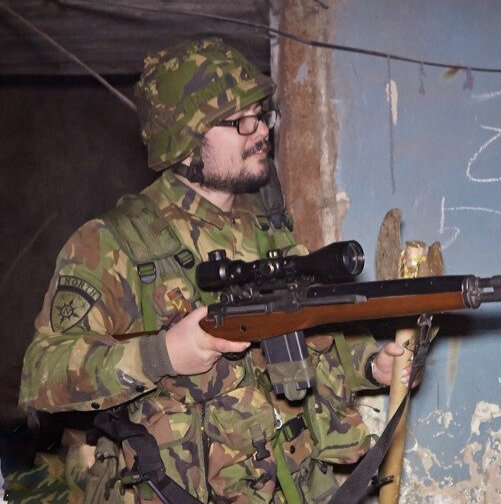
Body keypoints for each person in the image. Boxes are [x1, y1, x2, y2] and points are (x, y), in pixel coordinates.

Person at [18, 37, 413, 504]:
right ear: (185, 141)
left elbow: (310, 339)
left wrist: (372, 364)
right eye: (240, 121)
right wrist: (163, 353)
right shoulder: (114, 242)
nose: (259, 131)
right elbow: (41, 376)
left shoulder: (268, 228)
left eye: (261, 114)